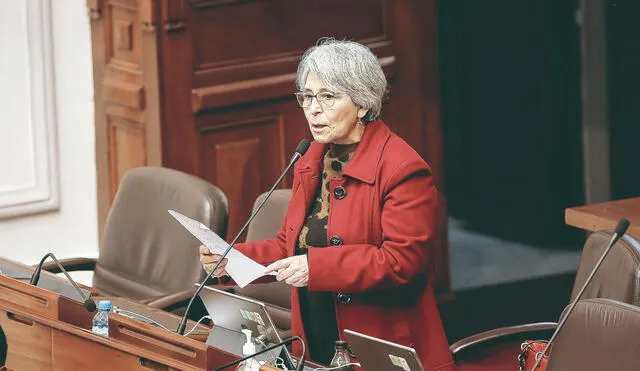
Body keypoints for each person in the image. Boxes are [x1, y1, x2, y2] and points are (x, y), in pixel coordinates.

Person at [200, 38, 454, 370]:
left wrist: (315, 267)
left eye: (328, 97)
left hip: (383, 346)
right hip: (316, 336)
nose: (313, 109)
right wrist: (231, 259)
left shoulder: (403, 170)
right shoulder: (311, 160)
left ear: (363, 104)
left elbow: (402, 261)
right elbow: (290, 245)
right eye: (306, 97)